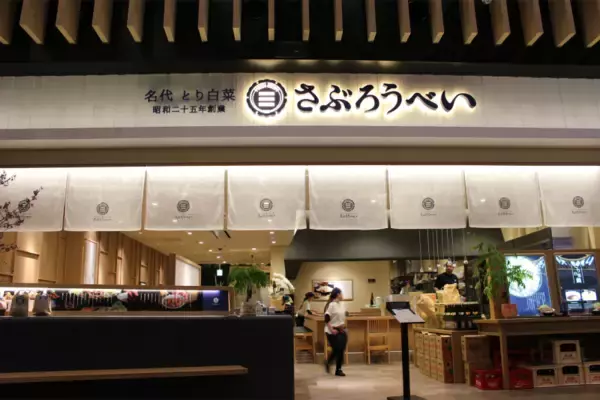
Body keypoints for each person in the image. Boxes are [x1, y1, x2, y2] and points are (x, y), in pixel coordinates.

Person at [324, 288, 347, 377]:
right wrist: (331, 329)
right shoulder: (331, 305)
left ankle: (338, 369)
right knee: (337, 348)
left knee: (340, 349)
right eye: (341, 294)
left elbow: (343, 314)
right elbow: (326, 318)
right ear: (338, 294)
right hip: (331, 331)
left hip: (341, 330)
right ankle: (329, 363)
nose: (342, 295)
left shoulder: (342, 304)